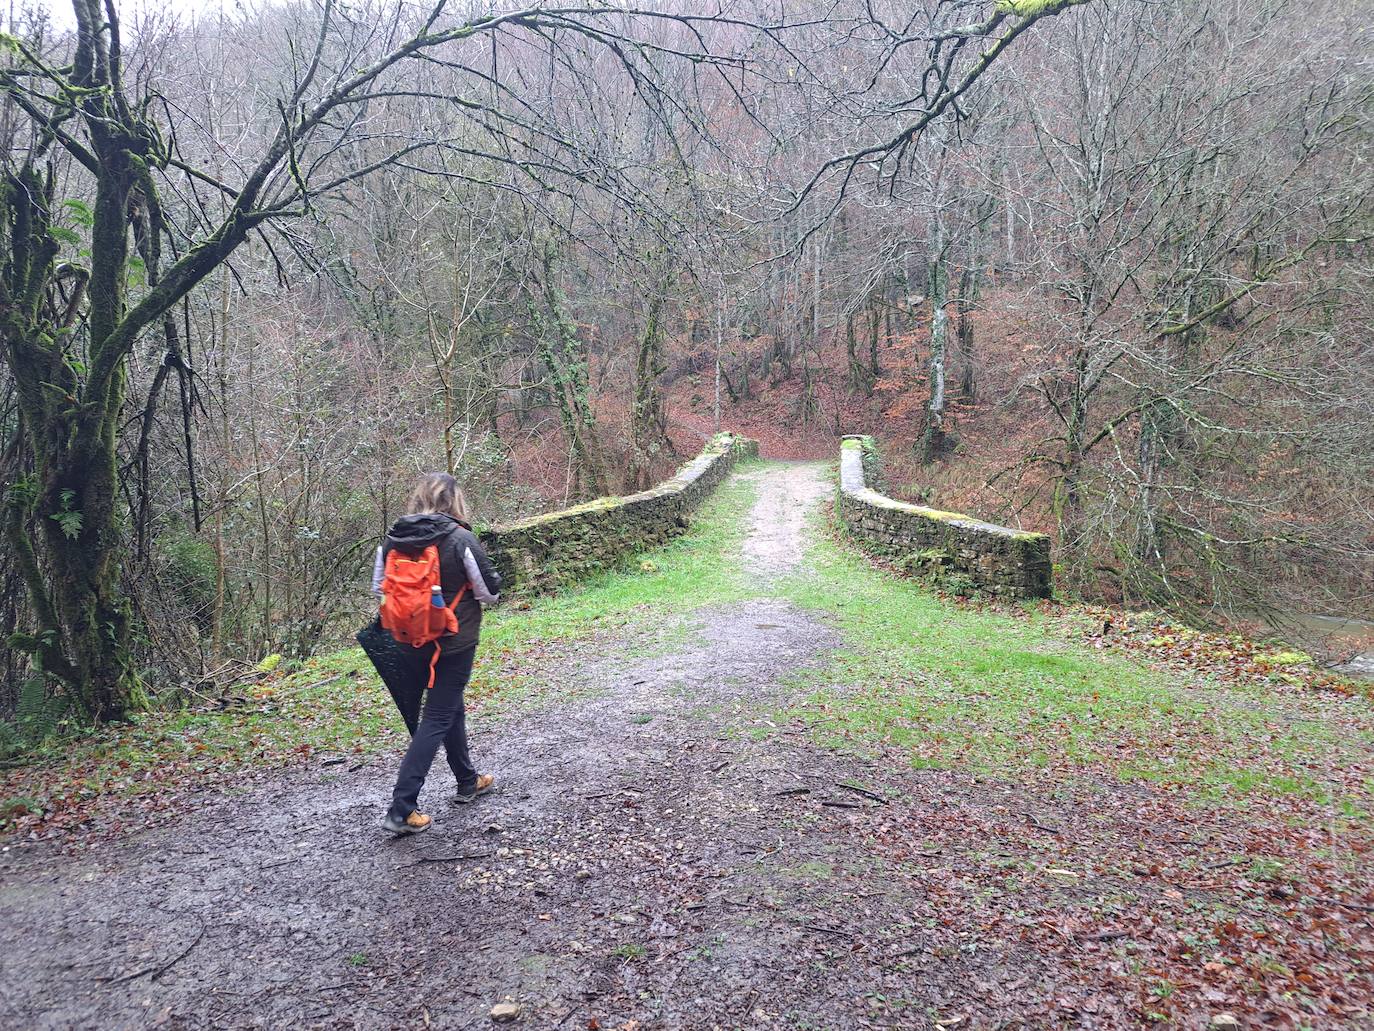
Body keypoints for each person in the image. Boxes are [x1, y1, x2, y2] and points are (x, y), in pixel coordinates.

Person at [372, 472, 502, 835]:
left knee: (447, 706)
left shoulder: (392, 540)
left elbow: (378, 588)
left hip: (406, 641)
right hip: (452, 642)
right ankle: (402, 807)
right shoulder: (461, 538)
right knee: (437, 716)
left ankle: (467, 779)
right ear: (454, 500)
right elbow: (489, 593)